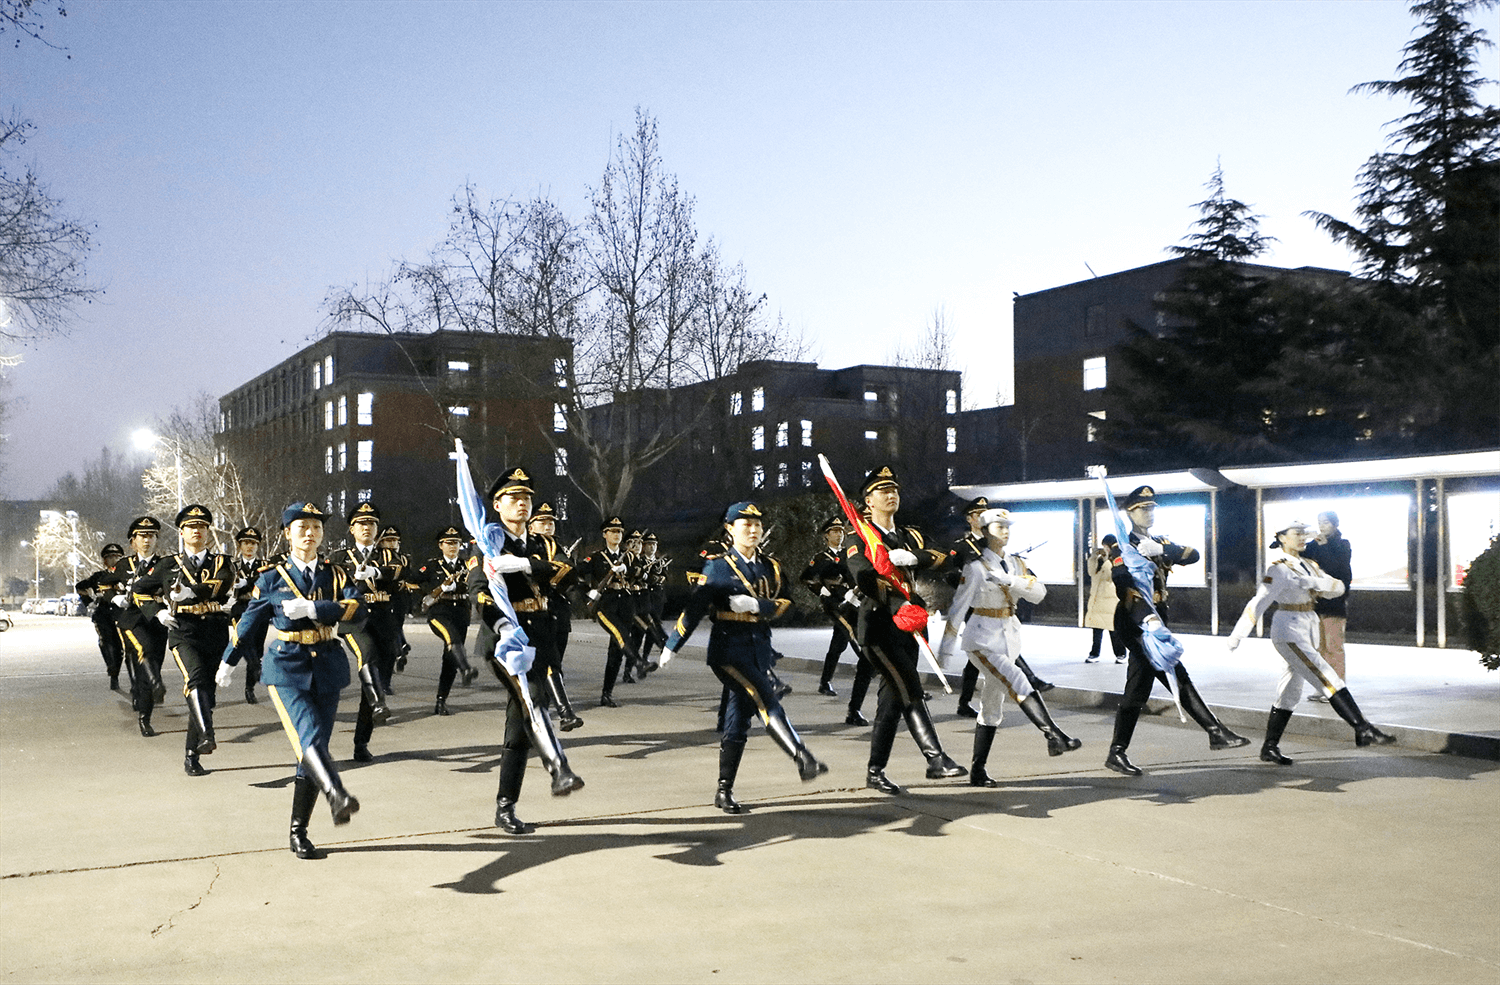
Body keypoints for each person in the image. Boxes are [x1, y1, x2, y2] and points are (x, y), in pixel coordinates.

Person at [218, 501, 364, 859]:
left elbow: (358, 609)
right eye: (302, 528)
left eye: (316, 527)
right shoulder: (272, 578)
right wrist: (228, 662)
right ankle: (337, 794)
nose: (310, 534)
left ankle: (298, 831)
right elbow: (248, 623)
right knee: (308, 736)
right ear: (287, 534)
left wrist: (316, 609)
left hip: (327, 663)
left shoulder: (336, 574)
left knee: (313, 751)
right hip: (286, 667)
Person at [663, 501, 827, 814]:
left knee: (737, 723)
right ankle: (802, 757)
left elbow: (787, 603)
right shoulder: (718, 567)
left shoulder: (770, 567)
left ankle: (723, 790)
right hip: (728, 650)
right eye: (745, 525)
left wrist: (757, 606)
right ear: (730, 529)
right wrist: (672, 645)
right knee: (765, 696)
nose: (753, 530)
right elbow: (695, 608)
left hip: (759, 649)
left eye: (757, 525)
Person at [456, 459, 584, 835]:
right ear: (497, 505)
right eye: (513, 498)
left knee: (518, 729)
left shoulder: (544, 544)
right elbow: (478, 591)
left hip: (542, 634)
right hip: (504, 641)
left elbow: (568, 574)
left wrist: (525, 564)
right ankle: (559, 769)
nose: (522, 503)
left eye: (526, 497)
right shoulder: (486, 543)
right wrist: (498, 622)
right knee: (534, 700)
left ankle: (505, 806)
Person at [1104, 485, 1249, 777]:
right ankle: (1215, 731)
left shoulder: (1159, 541)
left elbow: (1192, 555)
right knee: (1172, 673)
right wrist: (1147, 619)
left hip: (1158, 617)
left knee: (1138, 688)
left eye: (1152, 508)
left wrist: (1162, 550)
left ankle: (1117, 752)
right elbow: (1125, 586)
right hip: (1136, 620)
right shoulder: (1123, 545)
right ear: (1130, 513)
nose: (1150, 513)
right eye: (1143, 509)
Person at [844, 465, 968, 794]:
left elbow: (945, 557)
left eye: (894, 490)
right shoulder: (858, 536)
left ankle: (875, 772)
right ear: (868, 501)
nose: (891, 495)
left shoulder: (910, 536)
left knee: (892, 702)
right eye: (883, 491)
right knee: (910, 688)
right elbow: (863, 578)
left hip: (910, 627)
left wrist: (913, 557)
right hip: (879, 628)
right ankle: (936, 758)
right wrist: (897, 604)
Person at [1228, 520, 1394, 764]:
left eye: (1303, 533)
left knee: (1290, 692)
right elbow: (1259, 601)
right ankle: (1362, 728)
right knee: (1328, 677)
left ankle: (1269, 747)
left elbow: (1338, 587)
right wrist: (1238, 634)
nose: (1302, 537)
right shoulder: (1278, 569)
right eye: (1296, 533)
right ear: (1282, 537)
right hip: (1289, 629)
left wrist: (1315, 583)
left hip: (1307, 626)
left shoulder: (1309, 565)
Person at [937, 508, 1081, 785]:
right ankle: (1054, 735)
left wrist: (1011, 581)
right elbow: (958, 608)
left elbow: (1039, 594)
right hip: (981, 639)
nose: (1005, 531)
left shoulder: (1016, 564)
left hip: (1008, 637)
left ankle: (978, 770)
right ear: (984, 531)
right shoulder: (975, 567)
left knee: (992, 707)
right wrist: (945, 652)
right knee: (1017, 678)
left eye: (1007, 526)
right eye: (998, 526)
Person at [136, 504, 236, 776]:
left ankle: (192, 755)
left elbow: (220, 585)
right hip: (183, 631)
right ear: (181, 532)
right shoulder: (167, 565)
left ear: (208, 531)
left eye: (202, 526)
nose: (197, 531)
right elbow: (139, 590)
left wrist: (189, 593)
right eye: (191, 527)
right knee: (195, 679)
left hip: (214, 631)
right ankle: (207, 734)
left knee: (206, 697)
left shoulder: (222, 562)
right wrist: (157, 612)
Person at [331, 502, 407, 760]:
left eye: (372, 524)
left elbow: (400, 570)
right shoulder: (340, 557)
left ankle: (361, 742)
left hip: (385, 621)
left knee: (377, 676)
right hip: (355, 621)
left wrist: (375, 571)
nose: (367, 528)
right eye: (361, 524)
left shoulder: (388, 555)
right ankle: (379, 703)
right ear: (352, 529)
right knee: (367, 654)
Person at [526, 502, 583, 730]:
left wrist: (545, 573)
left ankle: (545, 712)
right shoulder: (524, 545)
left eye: (551, 522)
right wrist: (550, 571)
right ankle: (562, 712)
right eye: (542, 522)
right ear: (531, 526)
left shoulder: (555, 546)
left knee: (554, 664)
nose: (548, 525)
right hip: (532, 613)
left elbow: (569, 572)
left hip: (558, 612)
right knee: (547, 664)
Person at [113, 517, 168, 738]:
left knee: (149, 668)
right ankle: (155, 685)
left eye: (151, 536)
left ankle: (146, 713)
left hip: (157, 619)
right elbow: (105, 583)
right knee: (144, 650)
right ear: (132, 541)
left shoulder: (166, 564)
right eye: (142, 536)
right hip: (132, 619)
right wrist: (114, 597)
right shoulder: (124, 565)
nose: (147, 540)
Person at [801, 515, 864, 701]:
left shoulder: (848, 554)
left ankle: (825, 681)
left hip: (852, 600)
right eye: (834, 532)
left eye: (841, 531)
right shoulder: (820, 558)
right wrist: (819, 589)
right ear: (826, 535)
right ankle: (871, 665)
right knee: (852, 632)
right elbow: (806, 578)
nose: (839, 535)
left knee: (838, 645)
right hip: (834, 604)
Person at [415, 526, 478, 716]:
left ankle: (441, 700)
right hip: (439, 612)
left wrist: (460, 586)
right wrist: (436, 589)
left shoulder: (467, 565)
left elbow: (476, 583)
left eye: (456, 543)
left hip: (460, 612)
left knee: (450, 658)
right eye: (449, 543)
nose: (453, 547)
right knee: (452, 637)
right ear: (440, 545)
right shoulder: (432, 566)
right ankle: (466, 668)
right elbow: (413, 581)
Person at [578, 517, 638, 708]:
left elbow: (640, 573)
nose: (616, 535)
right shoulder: (596, 557)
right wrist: (588, 592)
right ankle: (637, 660)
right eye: (612, 531)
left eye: (619, 532)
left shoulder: (628, 557)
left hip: (626, 603)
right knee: (620, 633)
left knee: (616, 651)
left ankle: (607, 694)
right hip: (606, 604)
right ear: (604, 534)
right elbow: (576, 574)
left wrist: (626, 568)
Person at [1302, 510, 1352, 701]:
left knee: (1333, 647)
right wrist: (1298, 538)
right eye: (1319, 522)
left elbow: (1336, 569)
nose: (1321, 526)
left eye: (1325, 522)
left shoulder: (1343, 545)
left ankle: (1337, 689)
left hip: (1334, 604)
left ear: (1335, 524)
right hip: (1316, 603)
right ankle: (1323, 686)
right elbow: (1299, 557)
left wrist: (1323, 546)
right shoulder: (1314, 545)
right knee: (1318, 648)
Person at [76, 543, 127, 692]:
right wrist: (89, 602)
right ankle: (112, 671)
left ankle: (116, 673)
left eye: (117, 557)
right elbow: (80, 587)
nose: (114, 560)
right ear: (105, 560)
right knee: (107, 644)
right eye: (110, 557)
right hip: (103, 615)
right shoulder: (98, 577)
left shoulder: (127, 575)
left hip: (122, 615)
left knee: (120, 649)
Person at [228, 526, 269, 704]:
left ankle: (249, 687)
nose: (250, 547)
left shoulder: (264, 566)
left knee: (257, 649)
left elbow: (266, 581)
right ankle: (257, 670)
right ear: (240, 545)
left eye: (253, 543)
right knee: (245, 641)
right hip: (240, 608)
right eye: (246, 543)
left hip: (260, 609)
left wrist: (248, 582)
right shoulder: (232, 566)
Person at [1084, 535, 1126, 664]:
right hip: (1097, 599)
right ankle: (1094, 654)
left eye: (1106, 547)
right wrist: (1093, 558)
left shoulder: (1118, 559)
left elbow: (1111, 576)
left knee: (1113, 630)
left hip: (1110, 599)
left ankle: (1121, 654)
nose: (1105, 549)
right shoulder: (1100, 560)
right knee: (1096, 629)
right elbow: (1091, 573)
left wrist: (1108, 559)